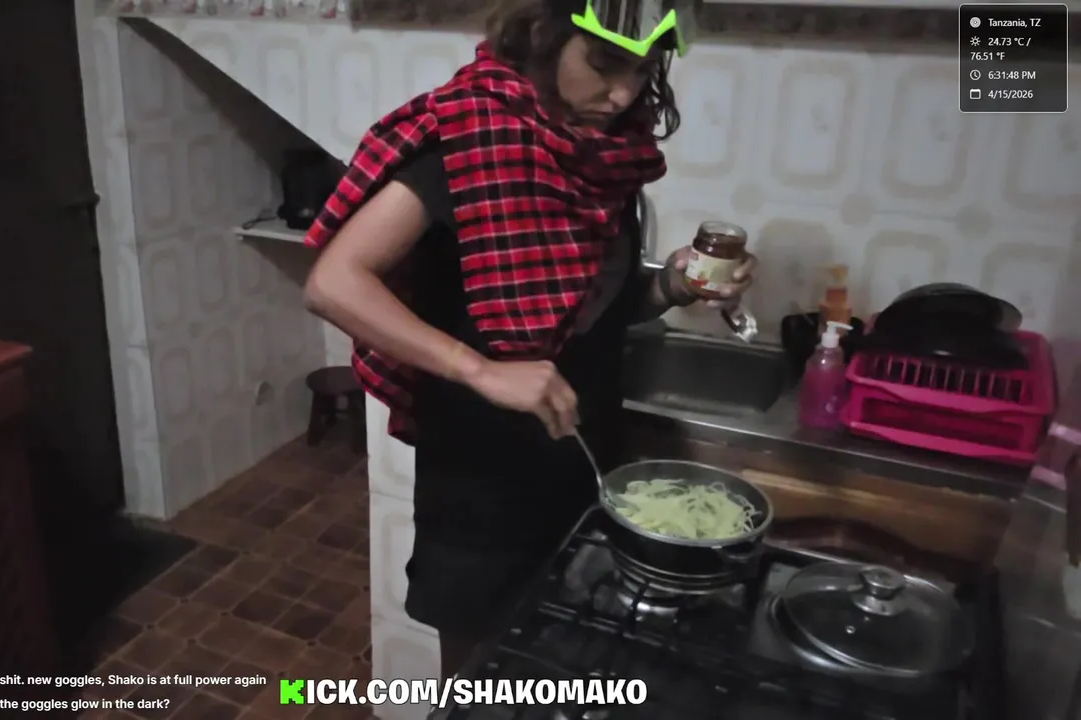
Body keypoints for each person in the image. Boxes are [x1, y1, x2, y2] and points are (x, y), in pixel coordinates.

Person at [302, 0, 757, 678]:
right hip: (483, 484)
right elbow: (333, 282)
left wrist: (672, 287)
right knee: (481, 683)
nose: (623, 94)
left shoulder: (605, 159)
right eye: (605, 64)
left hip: (582, 470)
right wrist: (481, 369)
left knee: (560, 675)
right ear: (545, 37)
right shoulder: (469, 139)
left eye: (643, 71)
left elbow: (587, 310)